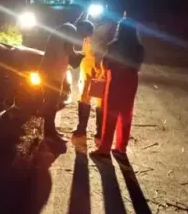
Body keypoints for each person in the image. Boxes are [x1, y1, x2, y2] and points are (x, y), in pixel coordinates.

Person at [90, 18, 145, 157]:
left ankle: (104, 148)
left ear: (119, 29)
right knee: (126, 114)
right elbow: (138, 65)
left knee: (110, 114)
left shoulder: (113, 45)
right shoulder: (139, 48)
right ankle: (121, 147)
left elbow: (106, 64)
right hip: (131, 81)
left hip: (115, 80)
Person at [39, 22, 85, 143]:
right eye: (84, 35)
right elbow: (71, 53)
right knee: (51, 105)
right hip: (52, 74)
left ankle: (50, 131)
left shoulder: (64, 30)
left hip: (50, 73)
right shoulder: (69, 32)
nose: (82, 39)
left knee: (51, 104)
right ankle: (49, 134)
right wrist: (81, 55)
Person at [70, 20, 102, 138]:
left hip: (96, 69)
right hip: (88, 68)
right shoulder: (92, 29)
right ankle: (83, 128)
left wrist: (98, 67)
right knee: (86, 96)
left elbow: (99, 51)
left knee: (98, 99)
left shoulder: (103, 29)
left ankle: (98, 130)